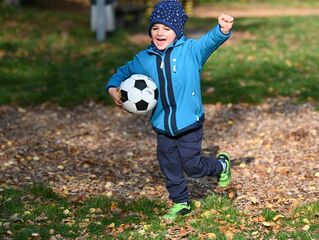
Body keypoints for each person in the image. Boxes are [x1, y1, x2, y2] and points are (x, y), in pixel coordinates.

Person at [106, 0, 234, 221]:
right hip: (162, 124)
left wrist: (222, 29)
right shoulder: (144, 59)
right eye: (155, 28)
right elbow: (123, 71)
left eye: (166, 28)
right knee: (170, 166)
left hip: (189, 123)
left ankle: (221, 165)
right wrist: (113, 88)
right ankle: (180, 202)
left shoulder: (191, 52)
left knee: (192, 166)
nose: (160, 32)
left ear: (177, 31)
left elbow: (209, 42)